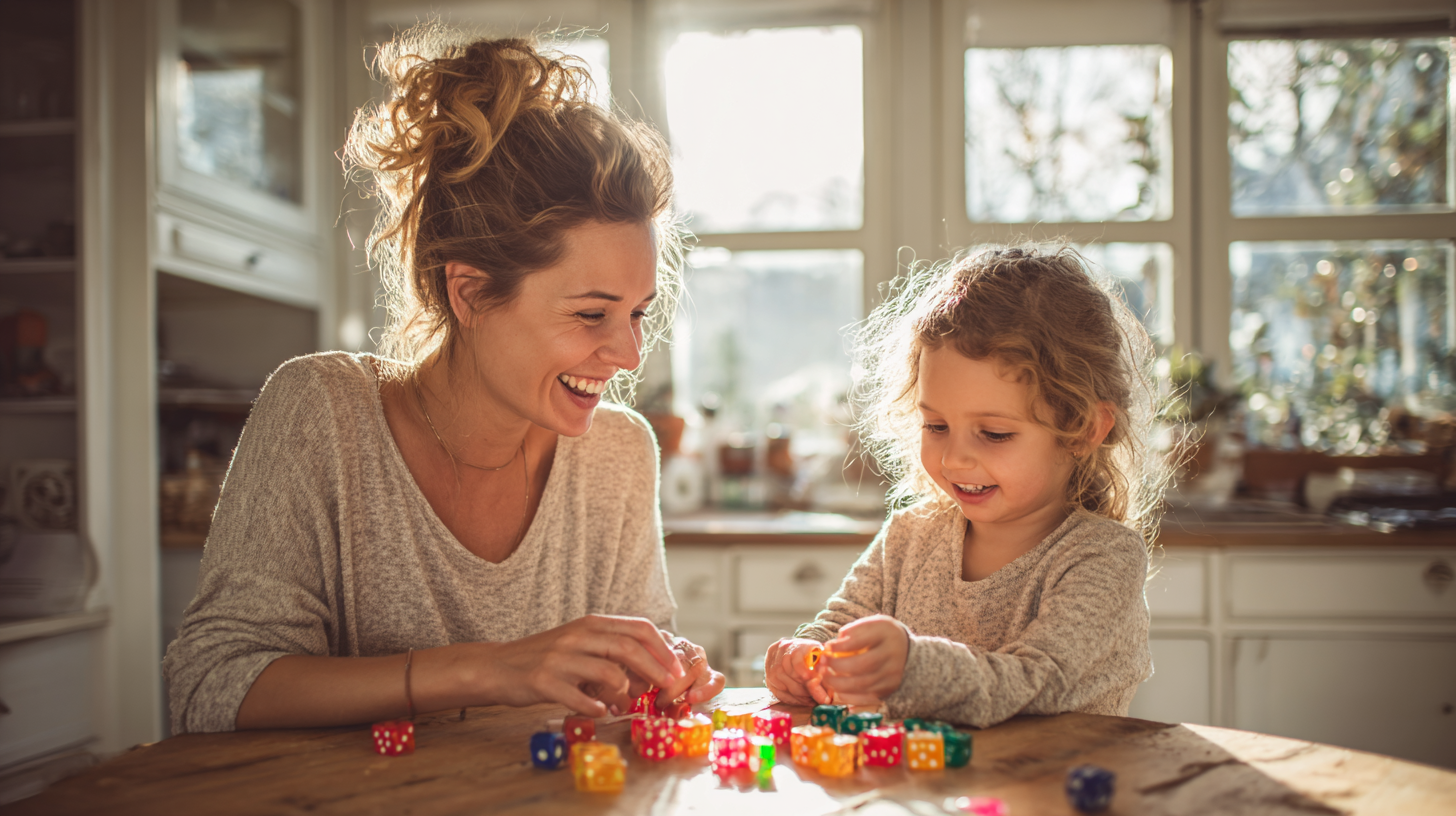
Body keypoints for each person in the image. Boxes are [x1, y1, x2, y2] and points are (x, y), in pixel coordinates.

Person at [163, 28, 724, 734]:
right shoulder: (321, 415)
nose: (629, 353)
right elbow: (210, 687)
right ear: (469, 293)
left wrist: (658, 676)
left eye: (639, 313)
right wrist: (490, 669)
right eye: (591, 314)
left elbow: (625, 695)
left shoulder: (619, 453)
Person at [763, 246, 1169, 727]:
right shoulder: (910, 536)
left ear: (1083, 429)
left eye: (994, 434)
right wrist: (800, 658)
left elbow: (1035, 683)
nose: (954, 458)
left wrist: (913, 667)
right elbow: (835, 629)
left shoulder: (1102, 557)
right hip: (930, 800)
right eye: (936, 426)